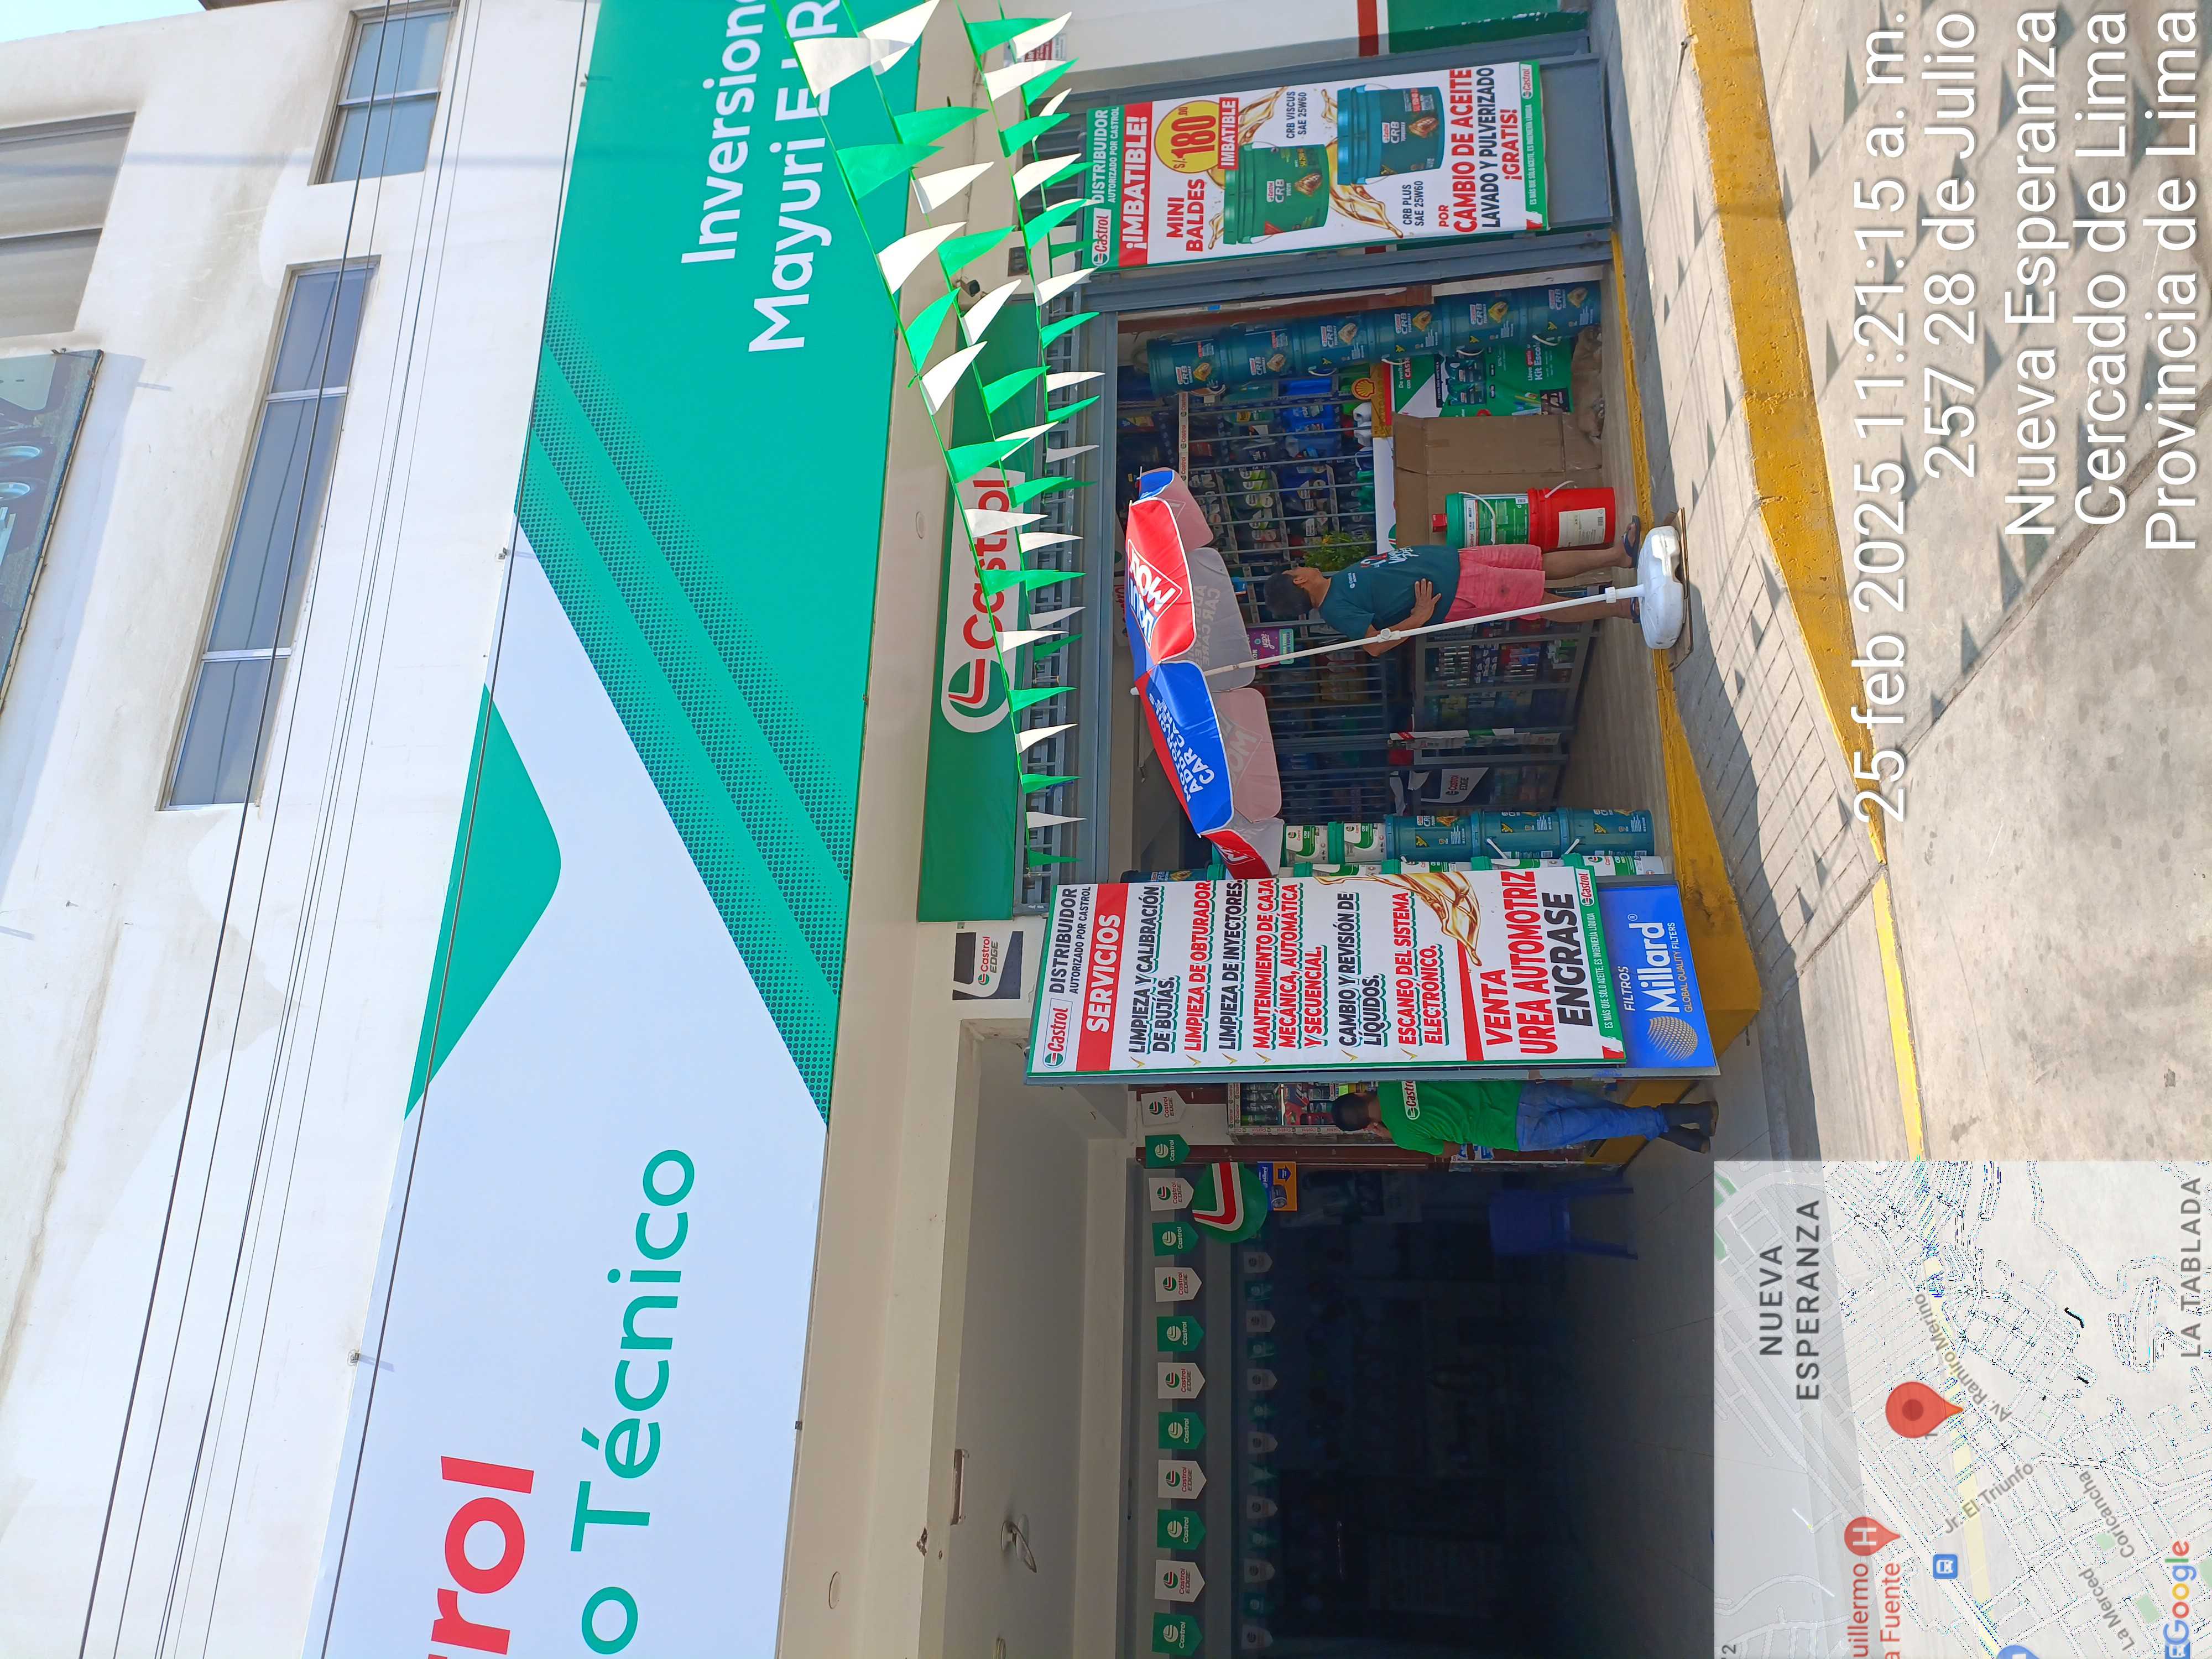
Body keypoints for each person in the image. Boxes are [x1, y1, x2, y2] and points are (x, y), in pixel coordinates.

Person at [1261, 536, 1636, 657]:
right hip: (1459, 591)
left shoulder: (1337, 583)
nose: (1302, 566)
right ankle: (1621, 607)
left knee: (1538, 561)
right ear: (1299, 581)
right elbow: (1375, 645)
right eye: (1296, 569)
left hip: (1458, 563)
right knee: (1539, 600)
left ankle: (1618, 555)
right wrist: (1418, 618)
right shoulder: (1335, 609)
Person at [1331, 1078, 1714, 1154]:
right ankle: (1683, 1127)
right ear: (1361, 1092)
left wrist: (1391, 1134)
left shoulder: (1403, 1137)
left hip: (1513, 1134)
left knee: (1606, 1123)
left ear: (1368, 1126)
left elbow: (1450, 1149)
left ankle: (1690, 1119)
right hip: (1516, 1095)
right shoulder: (1397, 1077)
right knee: (1599, 1109)